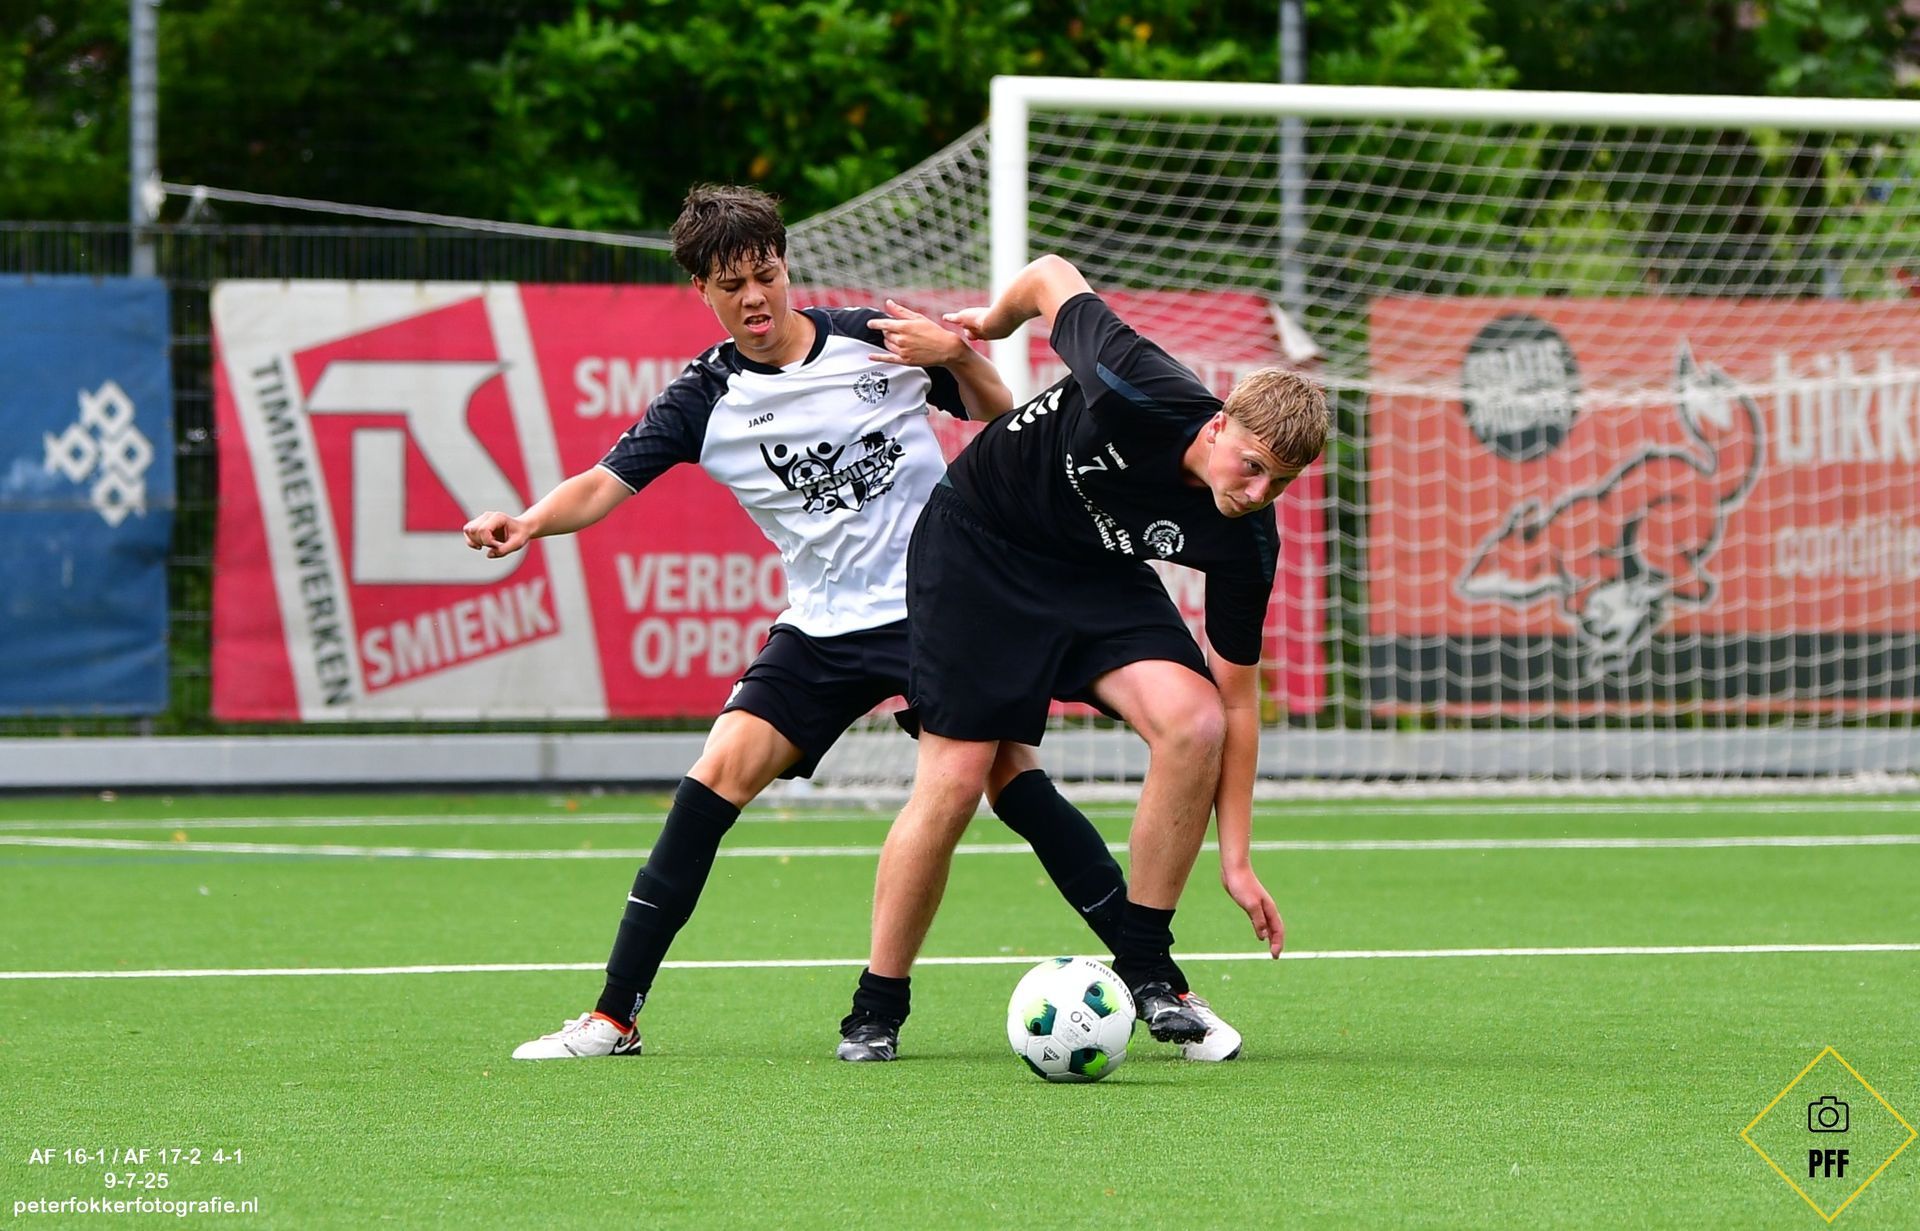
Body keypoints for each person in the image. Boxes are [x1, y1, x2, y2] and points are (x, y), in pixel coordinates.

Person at [463, 186, 1245, 1063]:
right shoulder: (703, 397)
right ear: (702, 291)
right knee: (716, 776)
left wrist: (958, 353)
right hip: (824, 623)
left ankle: (1163, 986)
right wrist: (528, 521)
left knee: (1007, 781)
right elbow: (602, 485)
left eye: (765, 274)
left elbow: (1000, 413)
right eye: (732, 285)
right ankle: (613, 1017)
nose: (755, 298)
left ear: (785, 264)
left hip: (945, 600)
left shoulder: (875, 338)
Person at [835, 253, 1330, 1064]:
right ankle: (877, 1003)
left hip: (1095, 570)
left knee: (1195, 720)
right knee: (958, 778)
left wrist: (1236, 859)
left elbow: (1238, 700)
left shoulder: (1246, 539)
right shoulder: (1137, 379)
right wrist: (990, 325)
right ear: (1217, 426)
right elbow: (1049, 274)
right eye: (1251, 466)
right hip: (979, 543)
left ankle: (1147, 969)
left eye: (1279, 483)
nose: (1255, 493)